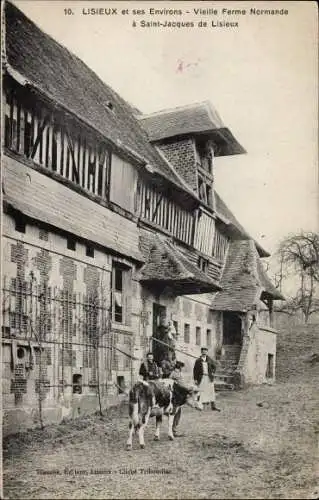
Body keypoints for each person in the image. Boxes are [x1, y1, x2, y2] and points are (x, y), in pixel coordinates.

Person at [193, 347, 221, 411]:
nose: (204, 352)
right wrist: (195, 379)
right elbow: (195, 370)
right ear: (201, 352)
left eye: (205, 351)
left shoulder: (210, 360)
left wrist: (213, 372)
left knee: (211, 391)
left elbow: (214, 366)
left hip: (209, 378)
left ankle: (213, 406)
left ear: (207, 352)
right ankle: (200, 406)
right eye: (203, 351)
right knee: (201, 391)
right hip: (201, 378)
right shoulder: (198, 361)